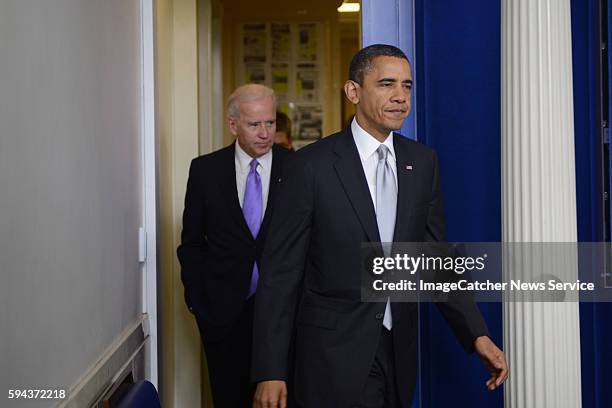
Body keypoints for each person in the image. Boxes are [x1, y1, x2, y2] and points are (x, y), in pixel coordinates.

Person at [251, 44, 508, 408]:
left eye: (407, 86)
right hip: (332, 355)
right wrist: (269, 369)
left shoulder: (422, 163)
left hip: (398, 351)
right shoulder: (310, 167)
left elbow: (435, 259)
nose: (400, 97)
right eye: (387, 84)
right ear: (353, 91)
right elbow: (280, 274)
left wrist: (477, 334)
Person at [177, 84, 291, 407]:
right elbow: (191, 244)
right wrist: (199, 303)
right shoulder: (205, 171)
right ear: (233, 125)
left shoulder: (297, 169)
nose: (266, 132)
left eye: (270, 123)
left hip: (282, 320)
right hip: (223, 318)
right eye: (255, 124)